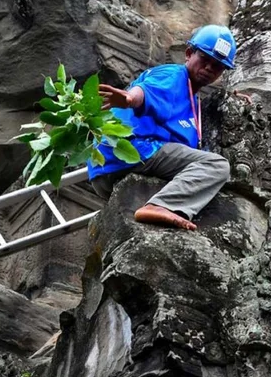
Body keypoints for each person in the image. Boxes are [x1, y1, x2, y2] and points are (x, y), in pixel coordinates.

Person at [88, 24, 238, 231]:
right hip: (133, 150)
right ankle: (162, 206)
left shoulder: (192, 98)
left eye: (217, 66)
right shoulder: (174, 75)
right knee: (217, 166)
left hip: (108, 169)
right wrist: (129, 98)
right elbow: (147, 91)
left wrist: (233, 99)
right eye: (205, 59)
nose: (209, 69)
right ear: (188, 54)